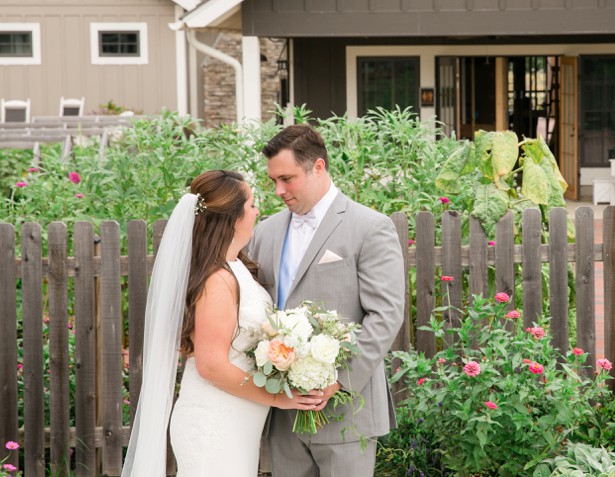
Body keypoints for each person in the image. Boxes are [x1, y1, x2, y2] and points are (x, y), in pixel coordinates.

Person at [122, 170, 325, 477]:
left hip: (236, 420)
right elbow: (211, 365)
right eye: (253, 204)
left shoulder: (235, 267)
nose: (258, 211)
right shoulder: (217, 280)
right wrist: (279, 398)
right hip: (214, 423)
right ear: (233, 218)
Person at [249, 124, 405, 477]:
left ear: (318, 167)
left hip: (347, 413)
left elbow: (385, 315)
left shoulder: (370, 227)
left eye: (287, 179)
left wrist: (339, 381)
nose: (278, 190)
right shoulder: (266, 231)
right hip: (283, 416)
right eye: (273, 180)